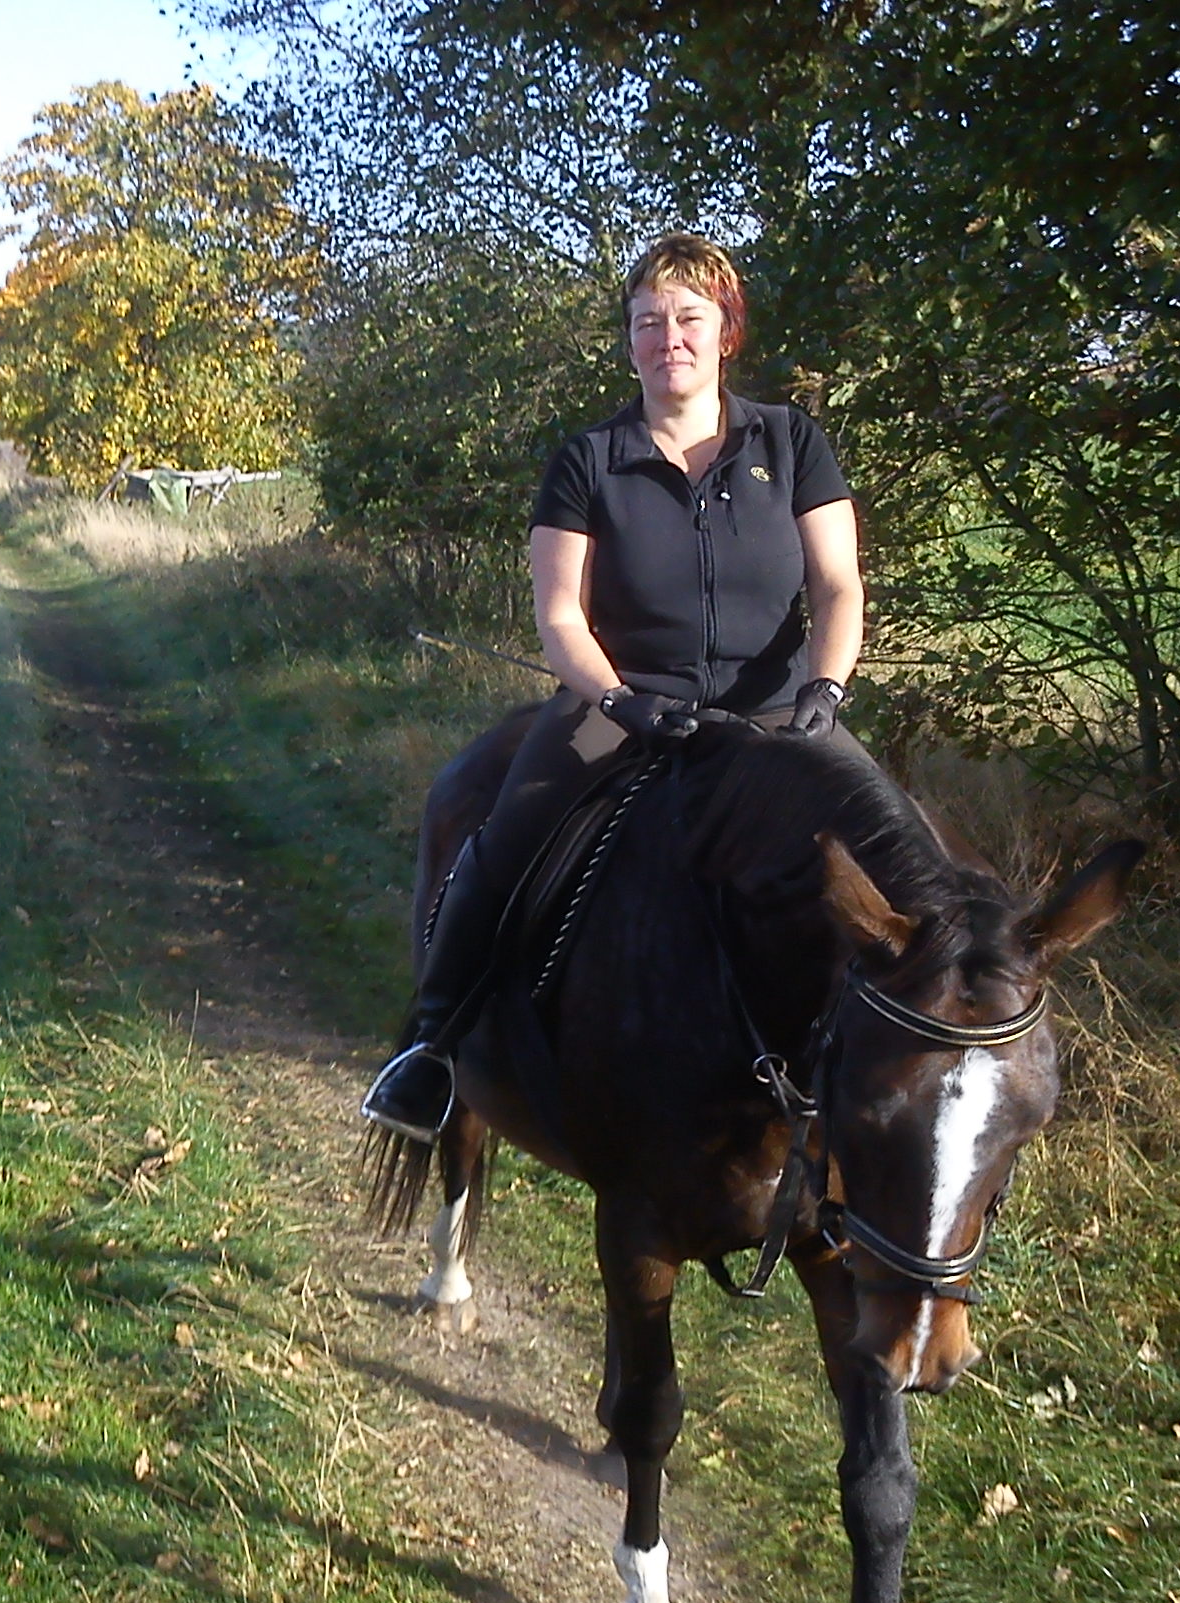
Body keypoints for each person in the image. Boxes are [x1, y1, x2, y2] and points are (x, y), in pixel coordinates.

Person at [362, 233, 865, 1143]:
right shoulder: (587, 460)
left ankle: (901, 1082)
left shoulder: (791, 442)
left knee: (895, 848)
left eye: (688, 317)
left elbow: (837, 587)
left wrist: (825, 694)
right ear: (629, 341)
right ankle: (434, 1051)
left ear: (725, 332)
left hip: (781, 719)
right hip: (620, 712)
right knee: (508, 824)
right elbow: (560, 614)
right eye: (647, 321)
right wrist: (616, 700)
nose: (668, 336)